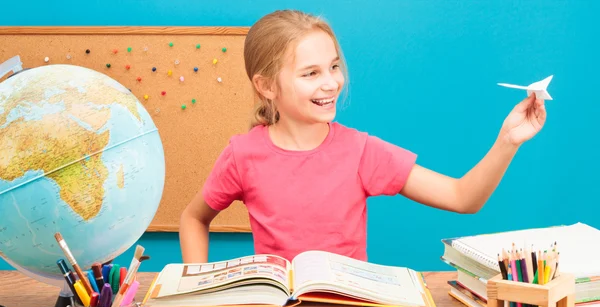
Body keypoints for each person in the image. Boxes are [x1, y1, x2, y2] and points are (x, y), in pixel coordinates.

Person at [179, 9, 547, 264]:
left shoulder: (361, 151)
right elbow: (194, 218)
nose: (331, 82)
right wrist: (193, 289)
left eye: (334, 66)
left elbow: (462, 197)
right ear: (267, 86)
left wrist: (507, 141)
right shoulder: (243, 155)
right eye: (310, 73)